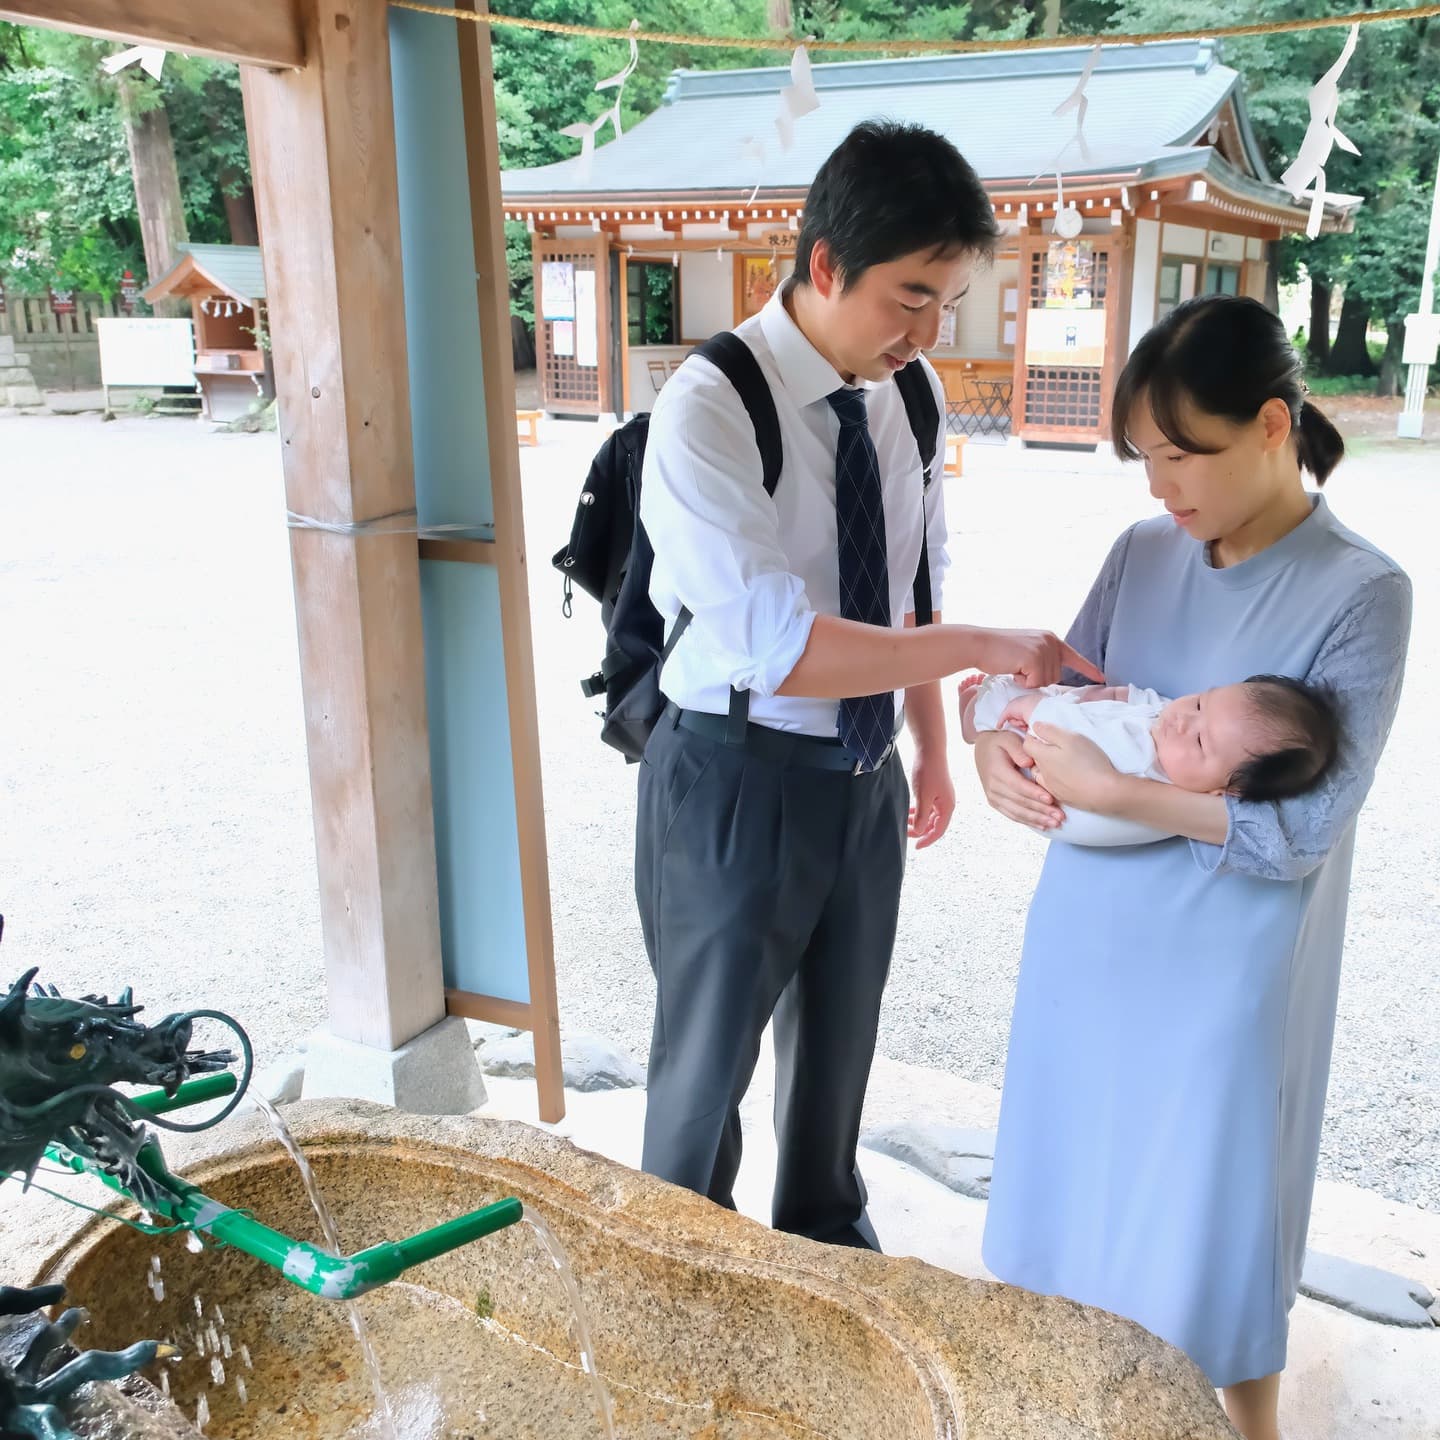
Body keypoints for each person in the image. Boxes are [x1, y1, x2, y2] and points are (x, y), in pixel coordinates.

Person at [636, 119, 1101, 1250]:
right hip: (735, 775)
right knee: (704, 1077)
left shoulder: (912, 395)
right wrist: (983, 649)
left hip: (863, 777)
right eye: (907, 297)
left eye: (945, 299)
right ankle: (673, 1276)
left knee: (840, 1054)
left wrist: (930, 749)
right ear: (827, 264)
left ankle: (826, 1259)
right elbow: (779, 645)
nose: (925, 329)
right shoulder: (710, 406)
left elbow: (909, 587)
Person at [972, 294, 1412, 1440]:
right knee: (1071, 1168)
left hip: (1230, 955)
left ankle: (1246, 1421)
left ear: (1273, 426)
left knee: (1212, 1195)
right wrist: (993, 752)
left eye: (1185, 455)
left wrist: (1121, 794)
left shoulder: (1363, 593)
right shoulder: (1140, 551)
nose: (1161, 487)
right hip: (1089, 925)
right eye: (1146, 458)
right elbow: (1060, 691)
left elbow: (1300, 834)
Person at [959, 671, 1340, 845]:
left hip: (1038, 767)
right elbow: (1141, 700)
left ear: (1225, 791)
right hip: (1058, 757)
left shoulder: (1141, 763)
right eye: (1200, 701)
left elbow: (1065, 733)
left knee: (1003, 701)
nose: (1182, 720)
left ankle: (973, 716)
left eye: (1201, 741)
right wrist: (1104, 696)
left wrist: (1040, 705)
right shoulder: (1174, 735)